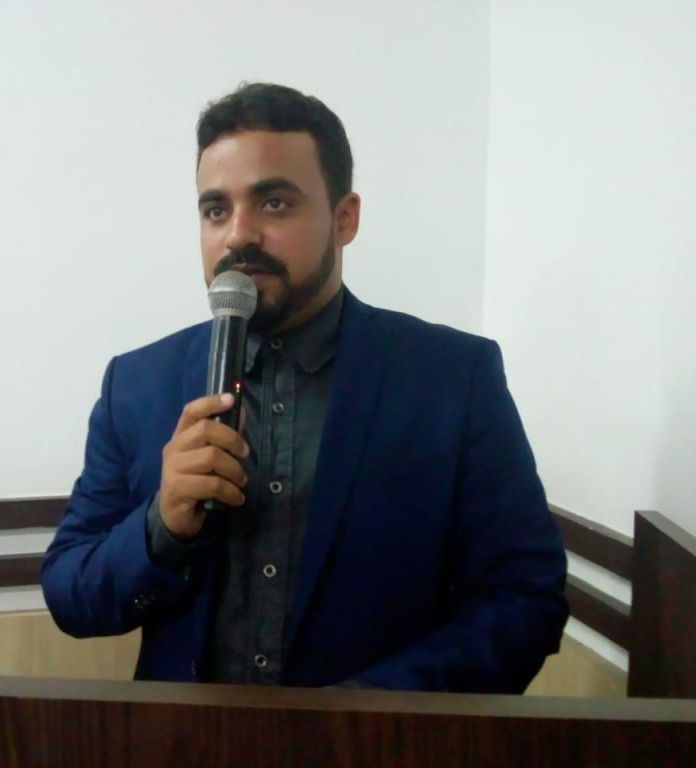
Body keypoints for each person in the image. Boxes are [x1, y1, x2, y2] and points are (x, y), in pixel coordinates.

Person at [42, 83, 568, 692]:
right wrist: (161, 524)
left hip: (378, 740)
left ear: (345, 219)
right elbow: (71, 595)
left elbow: (524, 599)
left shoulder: (452, 378)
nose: (238, 235)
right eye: (216, 210)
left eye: (273, 203)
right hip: (183, 738)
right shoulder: (136, 385)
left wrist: (362, 720)